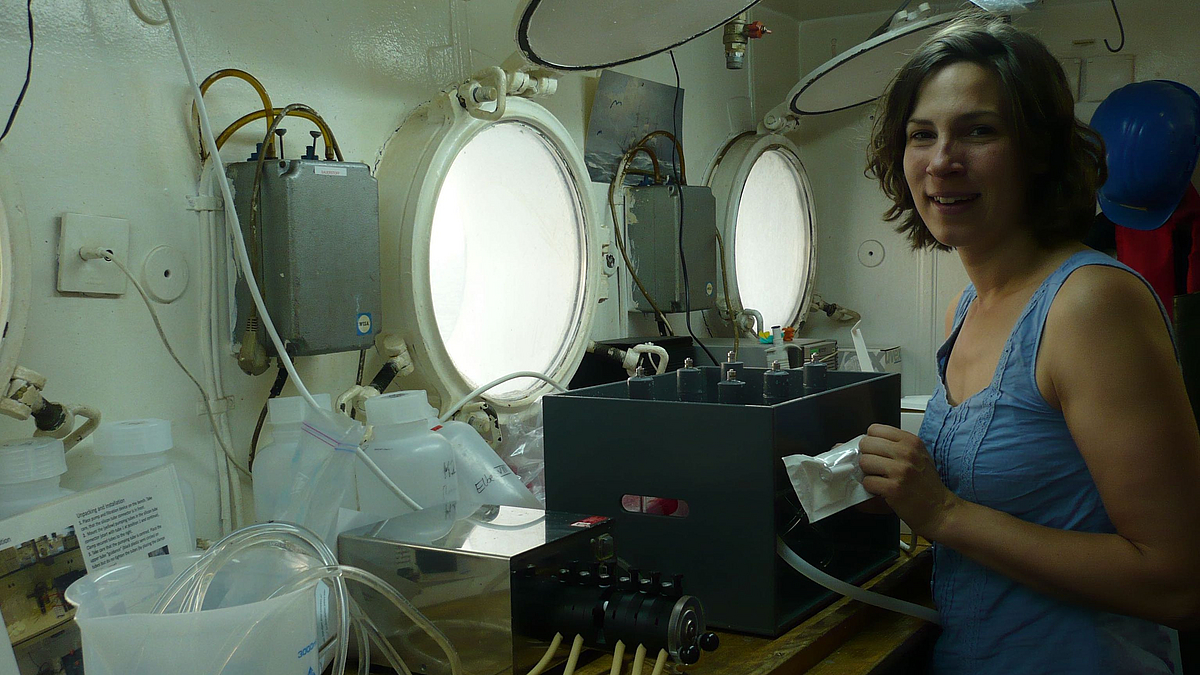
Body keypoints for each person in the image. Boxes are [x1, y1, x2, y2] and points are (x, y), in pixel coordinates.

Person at [860, 12, 1200, 675]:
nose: (942, 160)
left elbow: (1178, 581)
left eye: (979, 131)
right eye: (921, 135)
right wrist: (904, 494)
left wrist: (945, 512)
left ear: (1039, 151)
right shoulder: (973, 303)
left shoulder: (1090, 303)